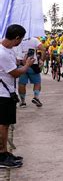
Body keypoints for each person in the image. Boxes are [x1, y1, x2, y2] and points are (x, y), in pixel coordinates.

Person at [0, 24, 35, 168]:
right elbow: (14, 72)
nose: (20, 42)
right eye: (20, 39)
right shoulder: (2, 53)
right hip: (3, 93)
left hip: (7, 92)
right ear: (16, 38)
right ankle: (1, 155)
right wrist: (26, 66)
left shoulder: (8, 49)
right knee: (2, 124)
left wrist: (23, 60)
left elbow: (13, 64)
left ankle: (4, 152)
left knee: (6, 123)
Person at [14, 35, 46, 108]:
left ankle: (23, 102)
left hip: (21, 64)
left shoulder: (15, 40)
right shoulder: (34, 40)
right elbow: (43, 49)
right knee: (37, 82)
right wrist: (41, 60)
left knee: (22, 83)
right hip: (33, 64)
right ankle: (36, 97)